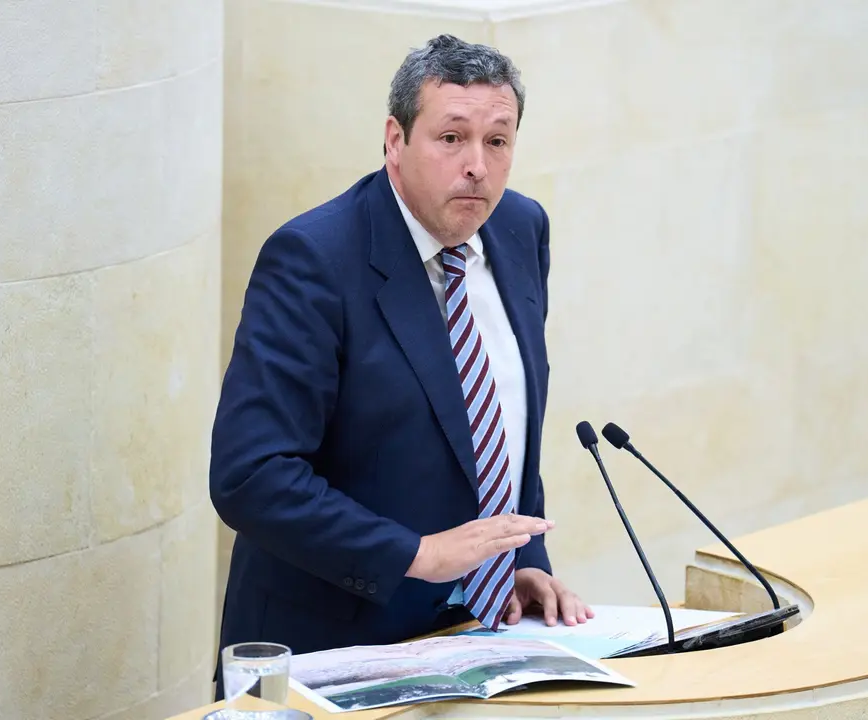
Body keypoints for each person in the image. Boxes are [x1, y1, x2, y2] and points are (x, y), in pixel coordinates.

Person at [209, 34, 593, 685]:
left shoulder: (519, 229)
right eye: (451, 138)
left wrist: (523, 556)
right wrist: (414, 554)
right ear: (395, 140)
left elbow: (496, 420)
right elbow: (251, 476)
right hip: (331, 647)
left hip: (482, 639)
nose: (476, 164)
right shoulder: (314, 260)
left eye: (496, 141)